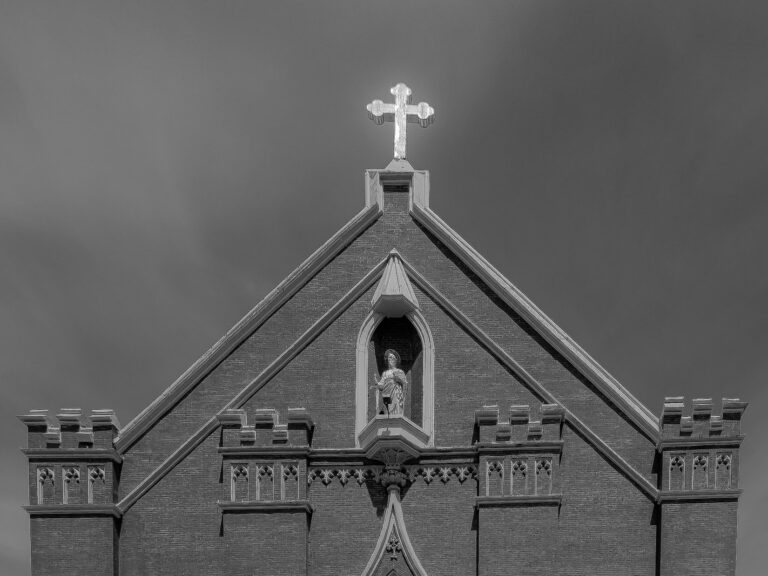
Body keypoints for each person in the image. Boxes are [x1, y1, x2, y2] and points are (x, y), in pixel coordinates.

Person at [371, 349, 407, 417]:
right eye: (390, 357)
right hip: (386, 395)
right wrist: (376, 384)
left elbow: (404, 384)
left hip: (396, 394)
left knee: (396, 412)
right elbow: (381, 386)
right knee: (386, 412)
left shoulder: (400, 371)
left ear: (396, 360)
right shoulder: (385, 373)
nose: (391, 359)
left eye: (393, 358)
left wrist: (398, 379)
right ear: (387, 360)